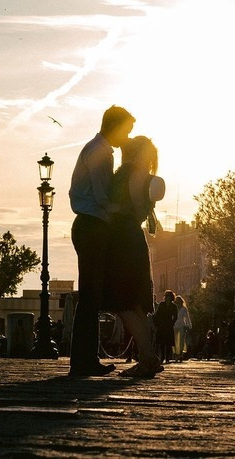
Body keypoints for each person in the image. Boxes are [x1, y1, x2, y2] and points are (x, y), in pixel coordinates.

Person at [68, 105, 135, 377]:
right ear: (115, 126)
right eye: (127, 130)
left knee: (91, 296)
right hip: (92, 224)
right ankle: (84, 361)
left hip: (89, 224)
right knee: (90, 296)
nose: (127, 137)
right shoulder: (100, 152)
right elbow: (103, 196)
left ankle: (85, 359)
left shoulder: (97, 149)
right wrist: (126, 208)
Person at [104, 135, 165, 378]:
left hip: (122, 241)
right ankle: (149, 357)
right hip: (134, 239)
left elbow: (118, 206)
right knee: (135, 304)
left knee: (124, 303)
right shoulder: (151, 180)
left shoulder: (128, 175)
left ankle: (148, 358)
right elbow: (141, 211)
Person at [154, 291, 177, 364]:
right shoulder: (161, 304)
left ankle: (167, 358)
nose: (166, 297)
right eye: (166, 296)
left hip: (169, 325)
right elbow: (157, 314)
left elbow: (175, 316)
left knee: (168, 343)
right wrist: (157, 323)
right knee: (162, 343)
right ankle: (162, 357)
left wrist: (172, 323)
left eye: (168, 296)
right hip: (161, 325)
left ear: (171, 297)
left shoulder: (174, 306)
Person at [173, 295, 192, 361]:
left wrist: (189, 325)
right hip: (174, 325)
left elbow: (187, 317)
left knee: (181, 340)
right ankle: (176, 354)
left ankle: (180, 354)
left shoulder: (184, 309)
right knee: (175, 341)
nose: (177, 303)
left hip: (181, 326)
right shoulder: (174, 308)